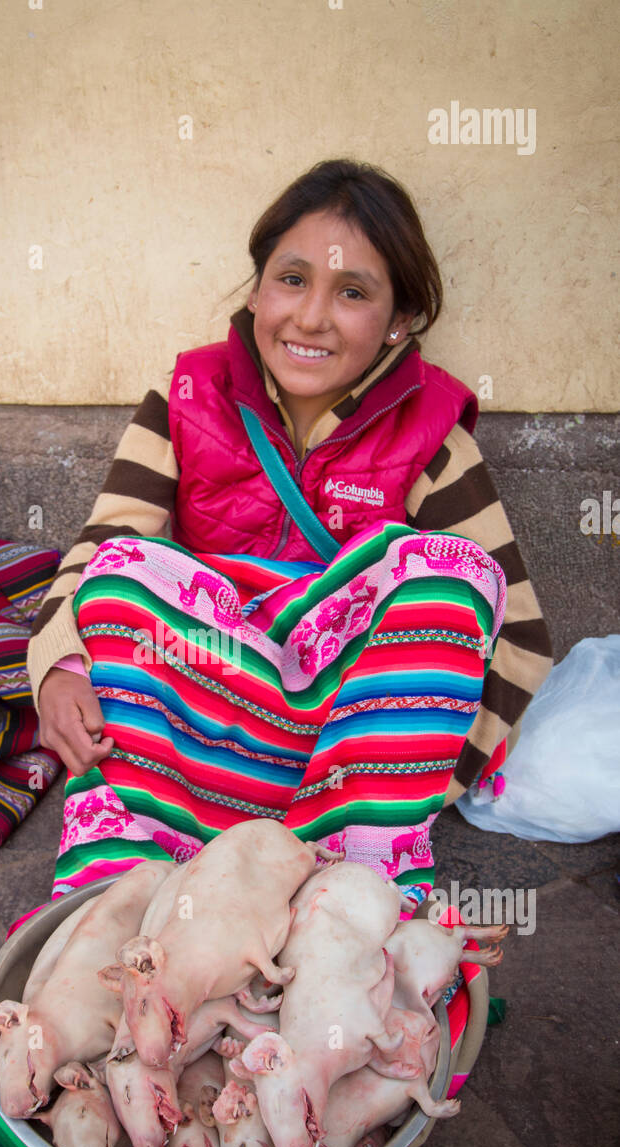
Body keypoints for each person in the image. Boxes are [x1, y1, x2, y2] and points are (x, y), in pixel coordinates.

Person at [27, 158, 552, 943]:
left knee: (450, 577)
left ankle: (352, 871)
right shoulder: (185, 402)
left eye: (352, 292)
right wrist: (58, 672)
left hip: (338, 757)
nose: (310, 317)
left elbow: (518, 644)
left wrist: (412, 777)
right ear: (256, 289)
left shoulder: (433, 438)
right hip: (201, 729)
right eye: (292, 280)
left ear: (399, 317)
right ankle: (137, 869)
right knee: (121, 575)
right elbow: (103, 547)